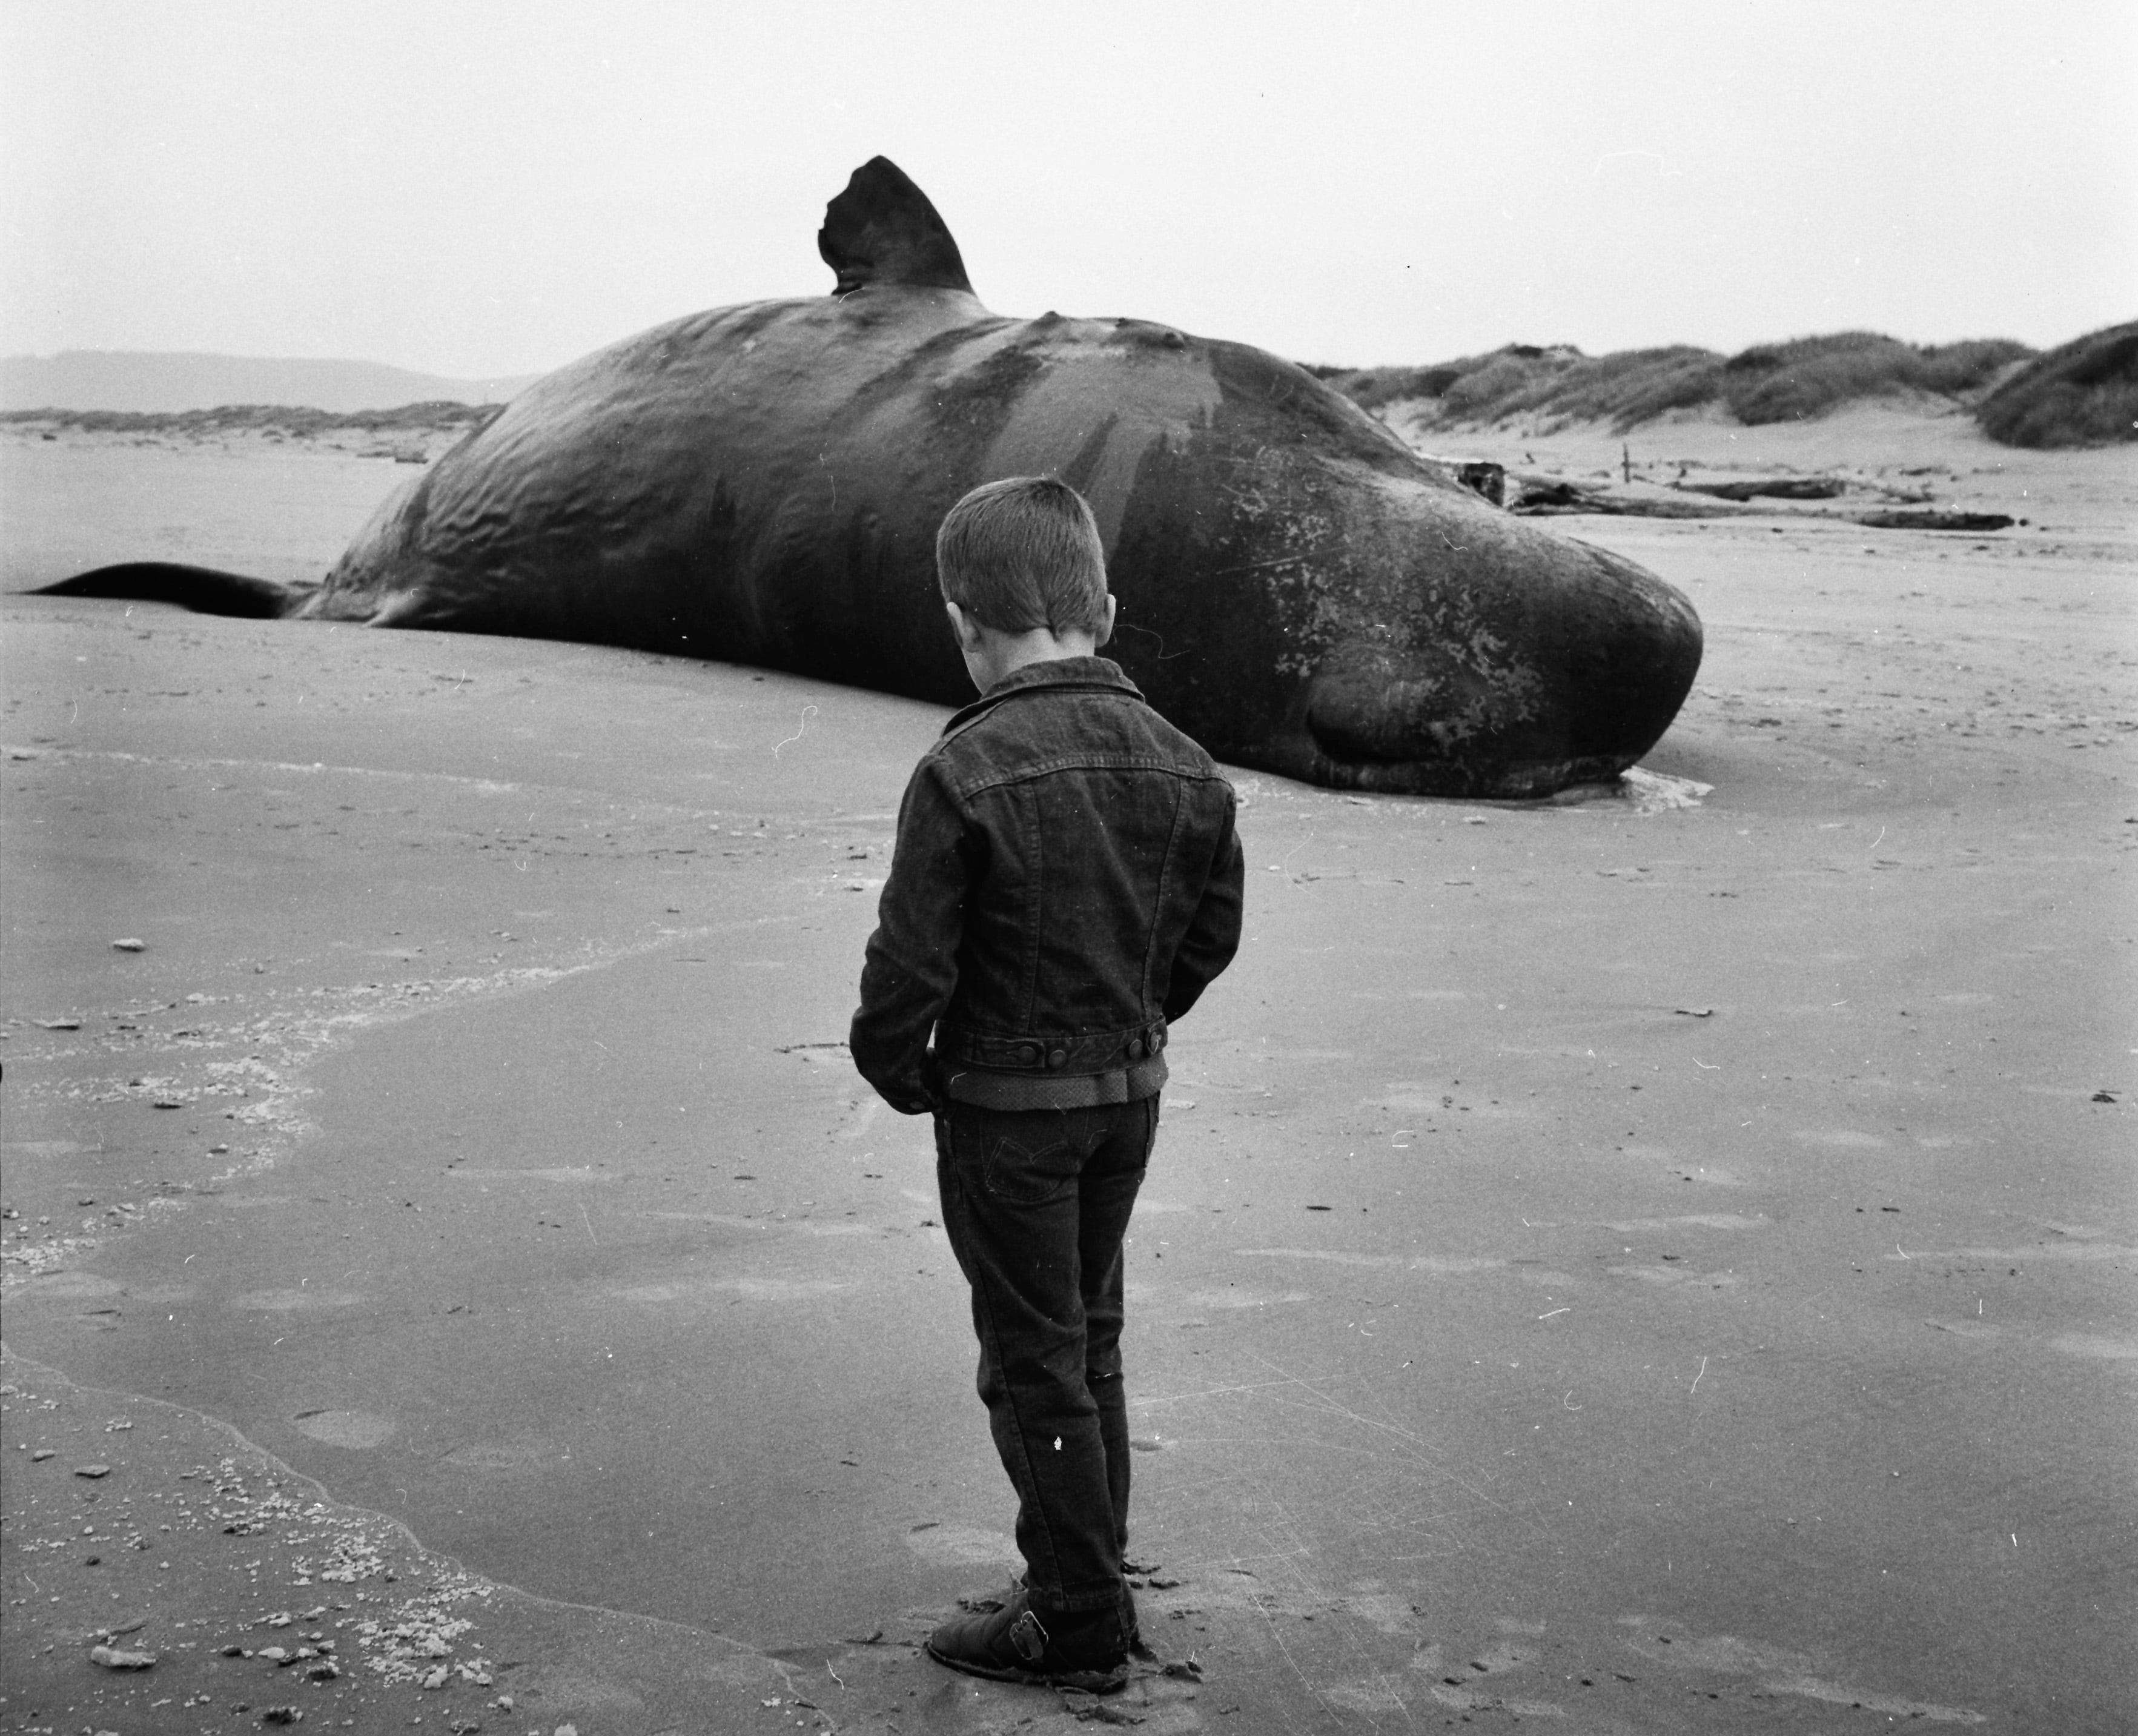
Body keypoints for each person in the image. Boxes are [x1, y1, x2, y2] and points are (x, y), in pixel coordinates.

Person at [850, 476, 1245, 1691]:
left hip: (1006, 1115)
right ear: (1107, 610)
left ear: (964, 625)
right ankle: (1094, 1563)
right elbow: (1209, 932)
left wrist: (898, 1067)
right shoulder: (1189, 766)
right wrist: (1133, 1021)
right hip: (1126, 1097)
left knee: (1032, 1356)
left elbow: (909, 962)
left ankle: (1072, 1610)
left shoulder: (964, 768)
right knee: (1092, 1336)